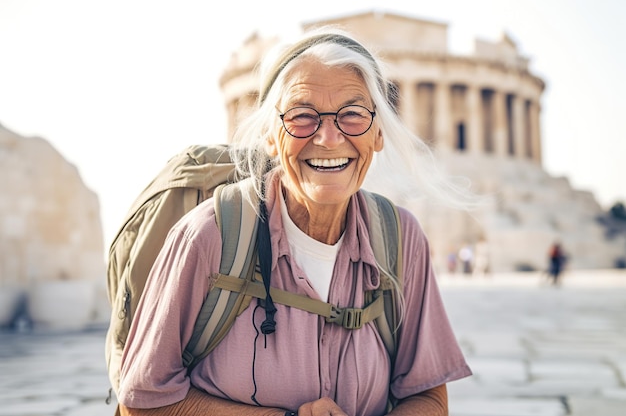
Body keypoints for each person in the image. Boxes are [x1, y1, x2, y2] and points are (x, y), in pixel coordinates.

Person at [117, 27, 476, 416]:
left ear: (377, 134)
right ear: (271, 136)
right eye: (303, 116)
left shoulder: (401, 239)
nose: (328, 138)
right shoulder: (208, 236)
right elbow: (142, 401)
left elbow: (429, 396)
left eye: (353, 115)